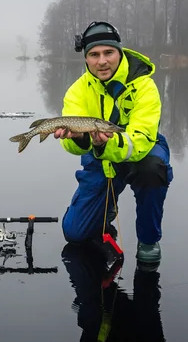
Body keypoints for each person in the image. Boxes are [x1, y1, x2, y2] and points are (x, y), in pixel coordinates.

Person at [53, 21, 173, 264]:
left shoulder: (144, 86)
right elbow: (71, 146)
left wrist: (105, 143)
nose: (102, 61)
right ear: (86, 59)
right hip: (99, 156)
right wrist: (79, 138)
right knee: (75, 234)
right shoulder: (77, 92)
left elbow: (139, 141)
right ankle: (106, 208)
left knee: (153, 170)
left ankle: (149, 241)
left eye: (108, 52)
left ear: (120, 51)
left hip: (142, 152)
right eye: (94, 55)